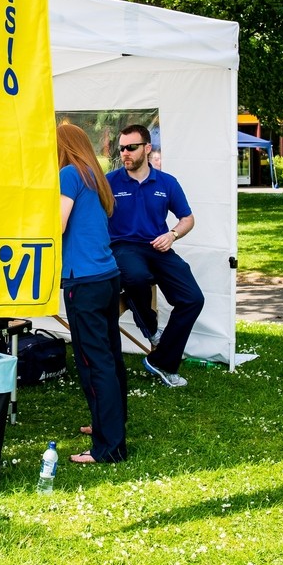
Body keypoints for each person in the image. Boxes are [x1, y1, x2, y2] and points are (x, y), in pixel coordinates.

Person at [105, 124, 204, 388]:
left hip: (158, 246)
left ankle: (162, 361)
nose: (125, 152)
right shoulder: (109, 181)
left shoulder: (167, 182)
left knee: (193, 299)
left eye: (131, 147)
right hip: (123, 247)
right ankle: (150, 329)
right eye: (122, 148)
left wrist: (171, 235)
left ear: (147, 148)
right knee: (136, 277)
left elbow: (188, 218)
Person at [57, 122, 126, 464]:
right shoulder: (93, 176)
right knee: (109, 356)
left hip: (83, 281)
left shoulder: (69, 174)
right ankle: (109, 423)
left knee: (93, 362)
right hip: (106, 276)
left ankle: (109, 447)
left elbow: (57, 225)